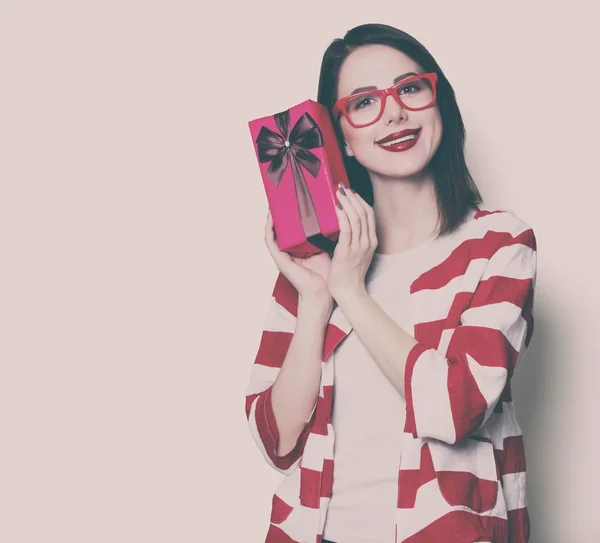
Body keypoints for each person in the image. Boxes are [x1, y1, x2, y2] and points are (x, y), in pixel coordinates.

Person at [245, 23, 537, 543]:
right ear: (343, 141)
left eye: (409, 88)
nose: (394, 112)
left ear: (437, 101)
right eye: (362, 102)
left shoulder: (498, 244)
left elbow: (455, 407)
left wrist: (352, 293)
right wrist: (317, 297)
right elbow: (276, 442)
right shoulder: (312, 265)